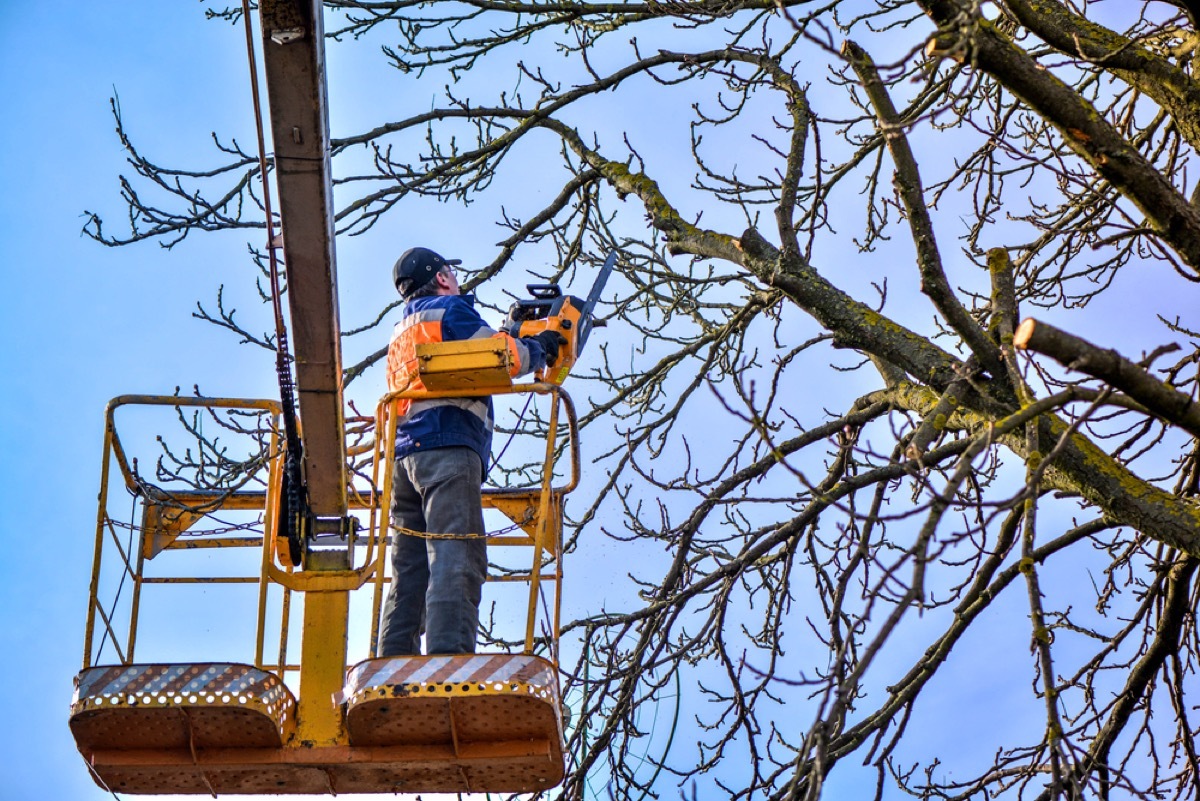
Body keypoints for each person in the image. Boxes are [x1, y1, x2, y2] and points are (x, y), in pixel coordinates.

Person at [378, 247, 565, 657]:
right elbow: (503, 357)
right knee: (455, 553)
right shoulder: (450, 311)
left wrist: (509, 333)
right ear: (443, 277)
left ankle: (392, 663)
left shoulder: (403, 329)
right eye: (452, 272)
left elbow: (472, 358)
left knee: (409, 570)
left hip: (405, 456)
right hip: (447, 447)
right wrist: (542, 346)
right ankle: (448, 661)